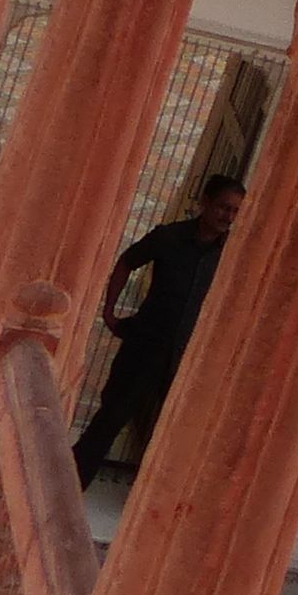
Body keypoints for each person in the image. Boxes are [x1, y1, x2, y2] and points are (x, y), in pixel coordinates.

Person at [69, 175, 244, 488]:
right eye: (223, 207)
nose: (227, 217)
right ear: (205, 202)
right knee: (111, 418)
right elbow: (126, 262)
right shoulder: (170, 237)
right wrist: (109, 311)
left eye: (234, 212)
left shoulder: (230, 255)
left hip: (187, 357)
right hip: (145, 346)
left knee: (173, 434)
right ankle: (69, 485)